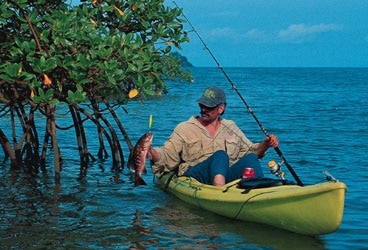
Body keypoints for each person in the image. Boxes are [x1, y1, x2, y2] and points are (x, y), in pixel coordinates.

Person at [146, 86, 279, 186]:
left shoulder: (231, 127)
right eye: (202, 105)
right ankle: (219, 195)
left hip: (225, 174)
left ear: (220, 109)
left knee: (251, 158)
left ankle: (258, 191)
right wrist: (151, 152)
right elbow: (167, 155)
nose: (203, 109)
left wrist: (265, 144)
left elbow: (250, 150)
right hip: (196, 175)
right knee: (220, 155)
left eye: (208, 107)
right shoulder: (185, 128)